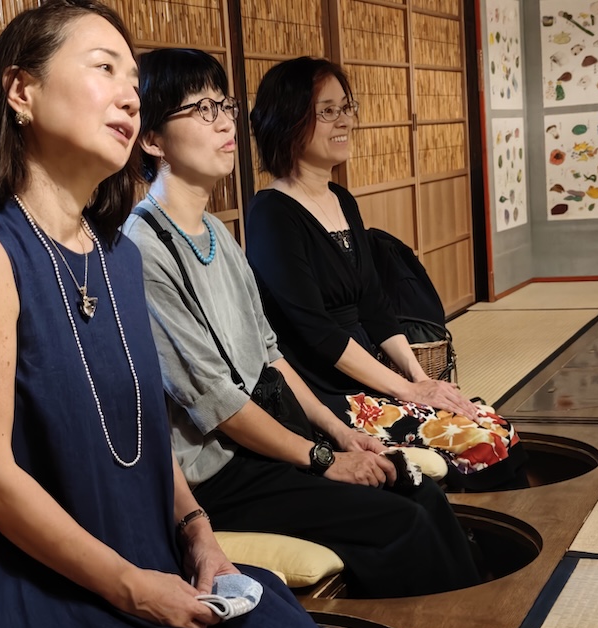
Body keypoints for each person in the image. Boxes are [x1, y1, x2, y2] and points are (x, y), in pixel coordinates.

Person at [0, 5, 375, 628]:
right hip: (25, 587)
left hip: (146, 551)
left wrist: (198, 534)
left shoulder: (116, 255)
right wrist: (131, 588)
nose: (130, 95)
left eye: (133, 78)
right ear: (21, 91)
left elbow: (148, 431)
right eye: (104, 68)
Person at [122, 48, 480, 598]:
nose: (225, 123)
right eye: (201, 110)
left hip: (272, 439)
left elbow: (271, 355)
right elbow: (218, 403)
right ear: (152, 138)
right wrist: (322, 458)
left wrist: (341, 434)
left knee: (417, 491)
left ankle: (476, 621)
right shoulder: (143, 247)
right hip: (219, 472)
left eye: (225, 106)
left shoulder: (218, 235)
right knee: (399, 520)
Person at [246, 57, 526, 492]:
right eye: (327, 111)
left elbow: (374, 306)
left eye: (346, 107)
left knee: (497, 427)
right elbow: (319, 334)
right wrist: (406, 391)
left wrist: (420, 379)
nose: (345, 121)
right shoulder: (272, 214)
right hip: (324, 391)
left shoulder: (342, 199)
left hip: (371, 376)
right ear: (287, 120)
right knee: (478, 443)